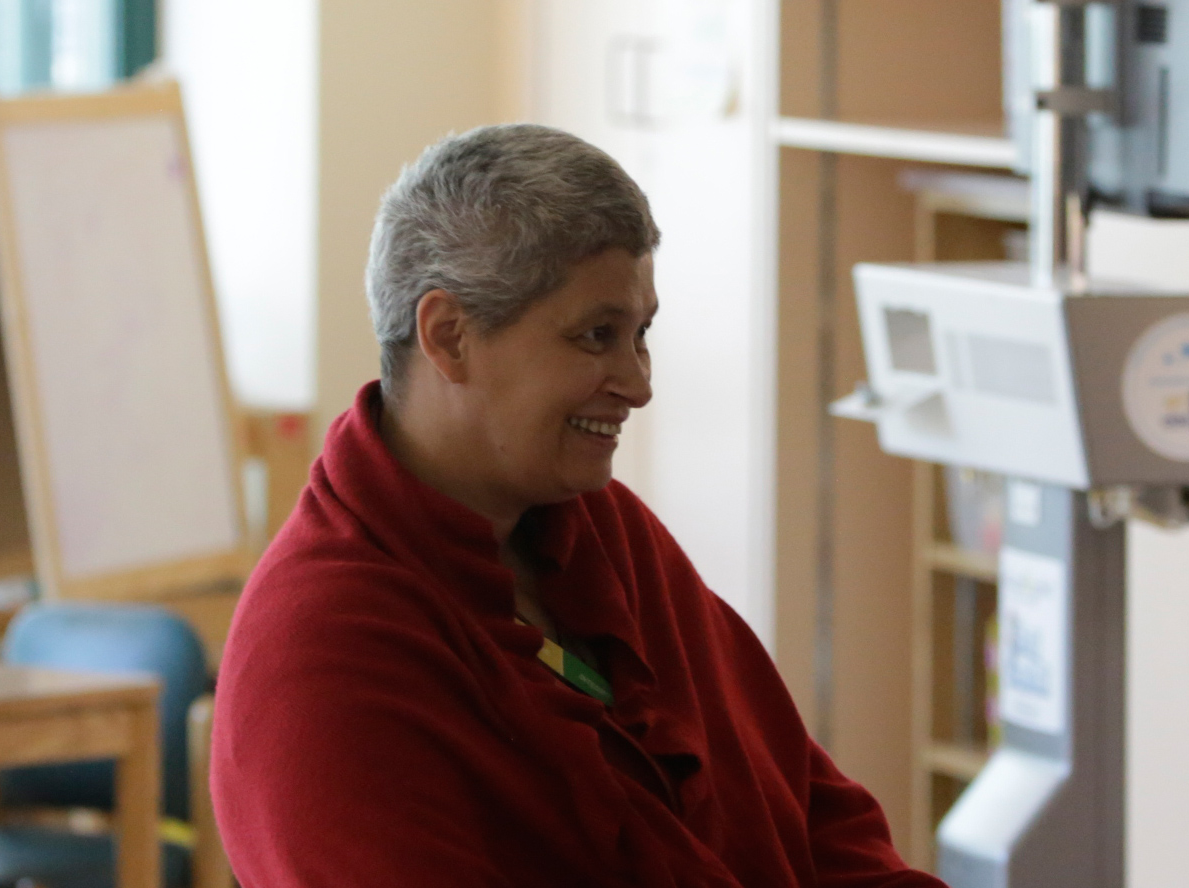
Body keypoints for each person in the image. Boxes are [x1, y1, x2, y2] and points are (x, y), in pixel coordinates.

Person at [211, 124, 944, 887]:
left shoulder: (610, 535)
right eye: (597, 336)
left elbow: (820, 820)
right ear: (449, 336)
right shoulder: (324, 655)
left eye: (642, 335)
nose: (638, 383)